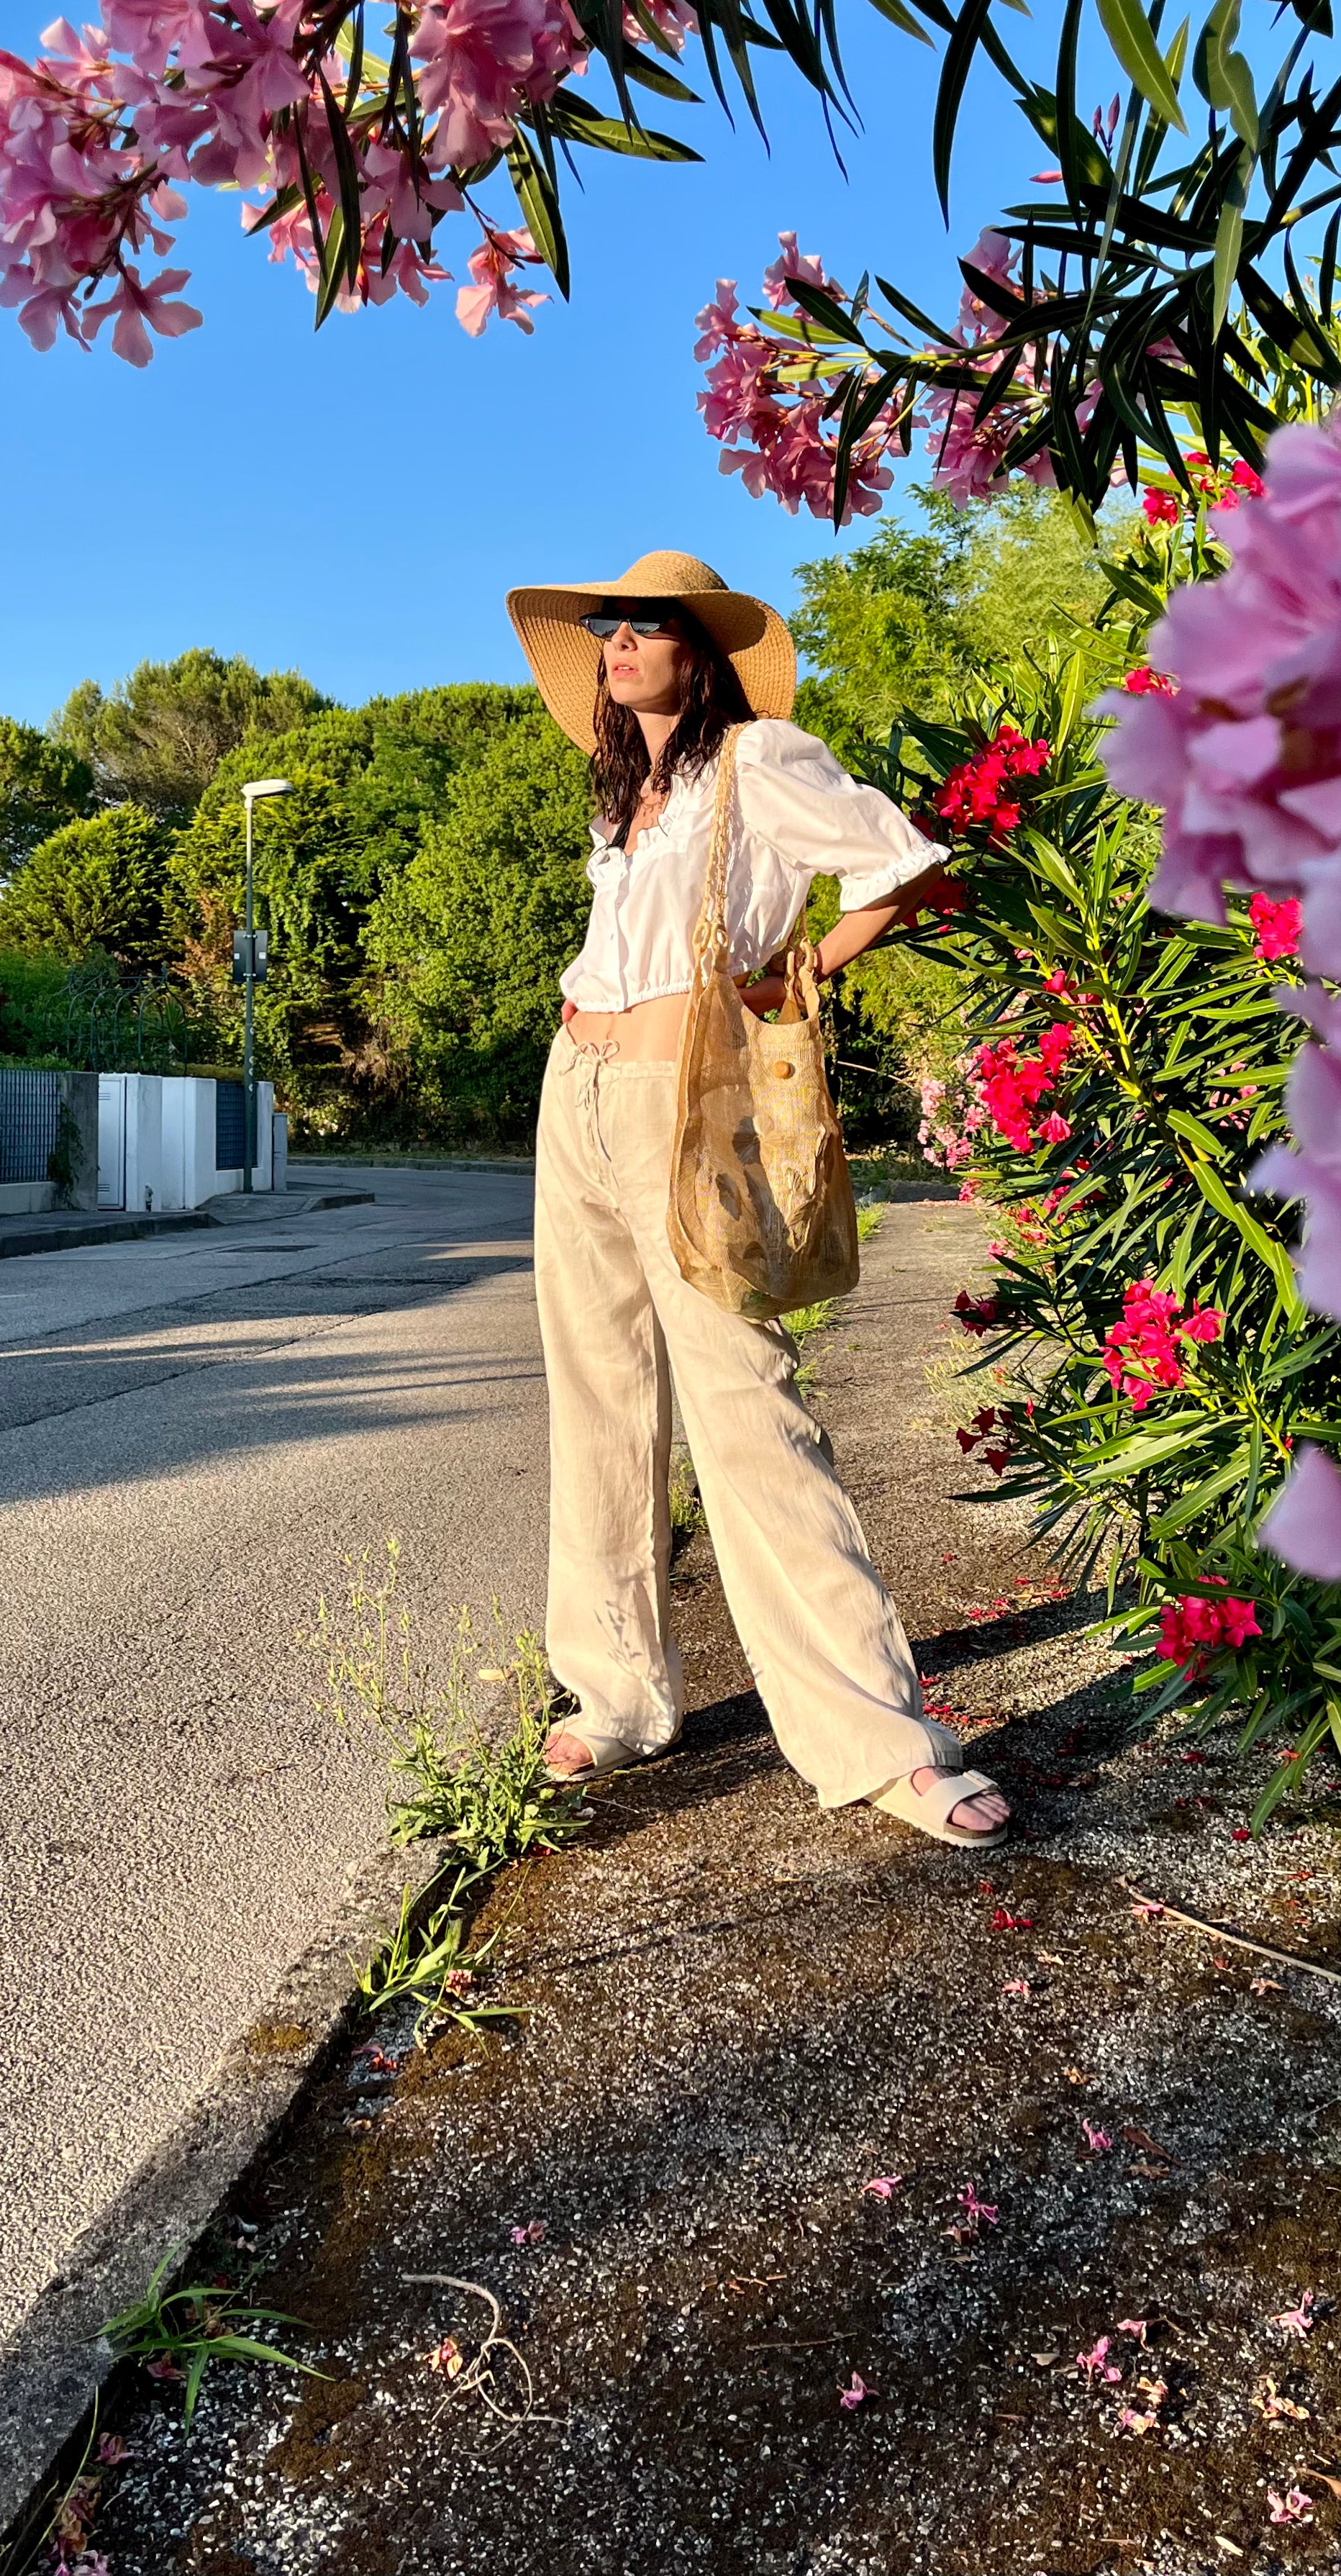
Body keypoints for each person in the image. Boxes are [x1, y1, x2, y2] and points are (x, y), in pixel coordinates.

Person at [507, 549, 1010, 1845]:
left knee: (743, 1396)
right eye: (607, 624)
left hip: (689, 1094)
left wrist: (795, 973)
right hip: (578, 1085)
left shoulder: (762, 759)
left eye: (646, 625)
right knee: (598, 1392)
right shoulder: (626, 801)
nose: (619, 642)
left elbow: (904, 867)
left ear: (701, 649)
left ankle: (879, 1734)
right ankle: (614, 1691)